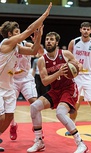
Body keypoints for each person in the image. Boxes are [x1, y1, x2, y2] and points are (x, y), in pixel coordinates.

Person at [0, 2, 52, 151]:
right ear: (10, 34)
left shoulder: (17, 47)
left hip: (9, 85)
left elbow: (35, 51)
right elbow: (29, 30)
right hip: (0, 84)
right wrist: (44, 16)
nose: (20, 33)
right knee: (2, 117)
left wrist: (39, 35)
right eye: (17, 32)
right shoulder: (6, 42)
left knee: (9, 116)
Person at [27, 32, 88, 153]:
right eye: (47, 39)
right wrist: (58, 73)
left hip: (69, 89)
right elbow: (44, 82)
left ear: (57, 42)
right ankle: (39, 141)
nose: (48, 41)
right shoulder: (41, 60)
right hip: (55, 90)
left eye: (51, 40)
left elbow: (78, 65)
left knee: (60, 113)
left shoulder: (65, 54)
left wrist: (78, 67)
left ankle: (81, 143)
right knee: (34, 107)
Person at [65, 22, 91, 137]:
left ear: (90, 31)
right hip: (76, 76)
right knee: (75, 102)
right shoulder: (74, 42)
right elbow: (68, 58)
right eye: (84, 29)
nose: (86, 31)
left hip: (90, 75)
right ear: (80, 30)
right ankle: (72, 125)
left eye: (88, 29)